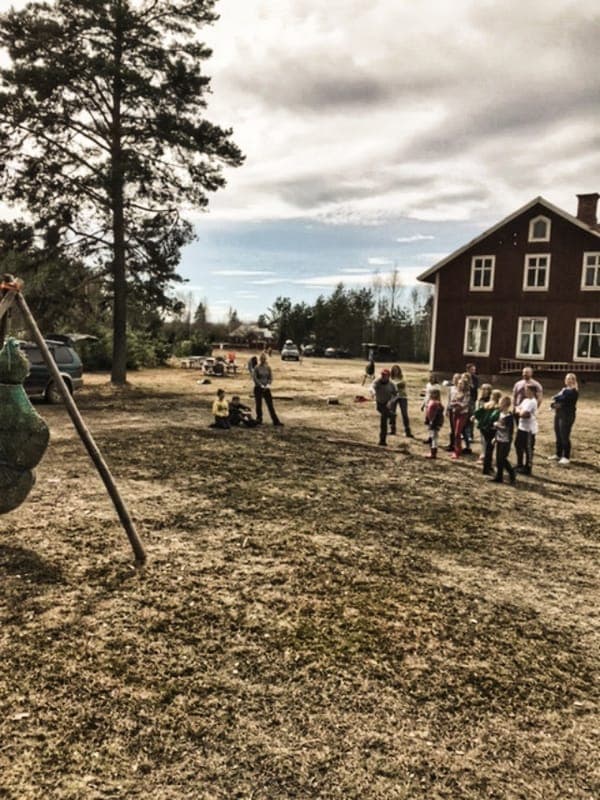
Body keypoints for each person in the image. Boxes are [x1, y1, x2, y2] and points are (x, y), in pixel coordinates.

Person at [549, 373, 578, 465]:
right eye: (567, 379)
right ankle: (558, 454)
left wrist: (554, 401)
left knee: (564, 435)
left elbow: (561, 399)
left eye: (570, 379)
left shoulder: (573, 392)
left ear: (574, 381)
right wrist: (554, 403)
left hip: (567, 416)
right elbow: (557, 400)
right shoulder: (564, 390)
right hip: (559, 414)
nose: (568, 380)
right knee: (558, 434)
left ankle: (566, 456)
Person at [473, 388, 501, 474]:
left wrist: (475, 418)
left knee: (486, 446)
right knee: (489, 448)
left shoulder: (487, 405)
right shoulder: (497, 408)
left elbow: (478, 413)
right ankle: (487, 467)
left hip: (484, 429)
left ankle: (487, 466)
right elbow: (496, 418)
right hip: (491, 429)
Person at [252, 352, 283, 426]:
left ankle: (275, 420)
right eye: (261, 359)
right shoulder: (257, 368)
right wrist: (260, 385)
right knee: (258, 404)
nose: (263, 360)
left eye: (264, 359)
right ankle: (259, 419)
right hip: (258, 388)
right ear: (260, 359)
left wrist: (268, 384)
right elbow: (255, 378)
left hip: (266, 388)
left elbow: (270, 377)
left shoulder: (268, 367)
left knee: (270, 405)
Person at [491, 395, 516, 485]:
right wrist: (495, 438)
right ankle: (499, 476)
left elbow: (506, 429)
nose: (499, 405)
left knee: (502, 458)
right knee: (498, 459)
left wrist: (497, 425)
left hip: (506, 440)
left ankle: (512, 473)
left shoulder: (509, 417)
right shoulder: (501, 414)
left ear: (505, 405)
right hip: (500, 439)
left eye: (501, 403)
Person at [515, 384, 539, 474]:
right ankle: (519, 464)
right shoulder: (525, 400)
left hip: (529, 429)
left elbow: (524, 414)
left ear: (532, 391)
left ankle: (528, 467)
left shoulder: (532, 402)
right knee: (518, 445)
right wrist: (519, 411)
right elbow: (517, 408)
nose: (525, 392)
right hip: (521, 427)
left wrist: (519, 411)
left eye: (527, 390)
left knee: (528, 448)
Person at [370, 368, 397, 446]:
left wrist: (390, 401)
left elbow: (395, 395)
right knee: (386, 416)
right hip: (379, 404)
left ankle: (382, 440)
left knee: (383, 422)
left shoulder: (392, 384)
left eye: (385, 375)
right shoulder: (377, 381)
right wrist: (373, 393)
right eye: (382, 375)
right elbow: (372, 387)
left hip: (387, 404)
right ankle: (391, 415)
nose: (383, 376)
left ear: (388, 376)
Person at [448, 374, 471, 460]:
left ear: (465, 385)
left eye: (462, 384)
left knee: (458, 432)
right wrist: (455, 404)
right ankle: (457, 449)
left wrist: (456, 403)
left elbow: (465, 404)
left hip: (463, 414)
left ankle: (457, 451)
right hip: (455, 413)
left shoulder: (467, 393)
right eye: (459, 383)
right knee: (455, 432)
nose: (460, 385)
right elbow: (451, 402)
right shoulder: (455, 391)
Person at [389, 364, 414, 437]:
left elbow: (402, 384)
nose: (396, 371)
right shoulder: (391, 379)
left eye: (397, 370)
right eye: (394, 370)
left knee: (404, 414)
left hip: (403, 397)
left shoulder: (402, 377)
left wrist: (394, 386)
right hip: (393, 397)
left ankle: (407, 431)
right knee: (392, 413)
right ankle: (392, 429)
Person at [424, 387, 444, 459]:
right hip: (432, 421)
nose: (430, 394)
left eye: (431, 393)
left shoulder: (436, 403)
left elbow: (434, 414)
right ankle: (432, 451)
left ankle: (433, 453)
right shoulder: (432, 402)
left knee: (434, 437)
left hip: (434, 422)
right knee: (433, 436)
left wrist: (432, 421)